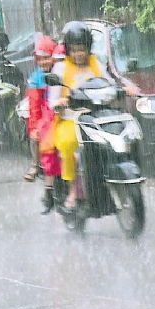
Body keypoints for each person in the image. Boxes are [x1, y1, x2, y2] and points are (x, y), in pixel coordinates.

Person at [50, 21, 102, 208]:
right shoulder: (60, 69)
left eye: (82, 49)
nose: (79, 54)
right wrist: (59, 102)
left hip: (96, 117)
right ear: (68, 51)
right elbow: (53, 99)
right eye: (74, 50)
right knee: (68, 144)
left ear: (88, 48)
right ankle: (72, 189)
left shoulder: (96, 64)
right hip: (71, 119)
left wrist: (123, 89)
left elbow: (108, 82)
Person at [23, 35, 57, 182]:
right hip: (44, 115)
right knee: (36, 135)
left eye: (47, 58)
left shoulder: (61, 71)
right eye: (40, 59)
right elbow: (34, 106)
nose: (43, 62)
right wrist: (35, 128)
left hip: (59, 112)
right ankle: (35, 165)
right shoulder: (36, 78)